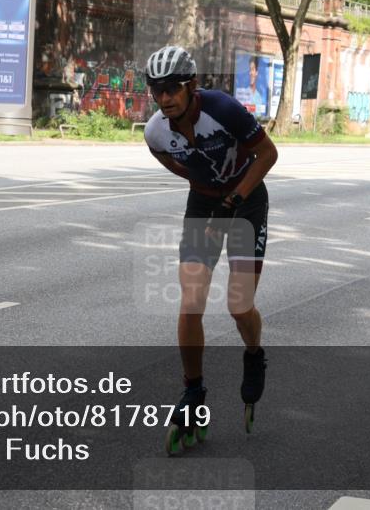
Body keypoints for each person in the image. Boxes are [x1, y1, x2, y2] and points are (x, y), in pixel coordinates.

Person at [142, 46, 279, 454]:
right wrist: (208, 191)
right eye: (157, 90)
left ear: (192, 86)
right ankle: (193, 390)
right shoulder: (155, 133)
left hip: (246, 201)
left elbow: (268, 153)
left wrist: (235, 196)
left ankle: (254, 353)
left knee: (239, 306)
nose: (165, 97)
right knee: (191, 302)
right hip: (204, 205)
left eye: (173, 88)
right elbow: (178, 167)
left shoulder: (222, 108)